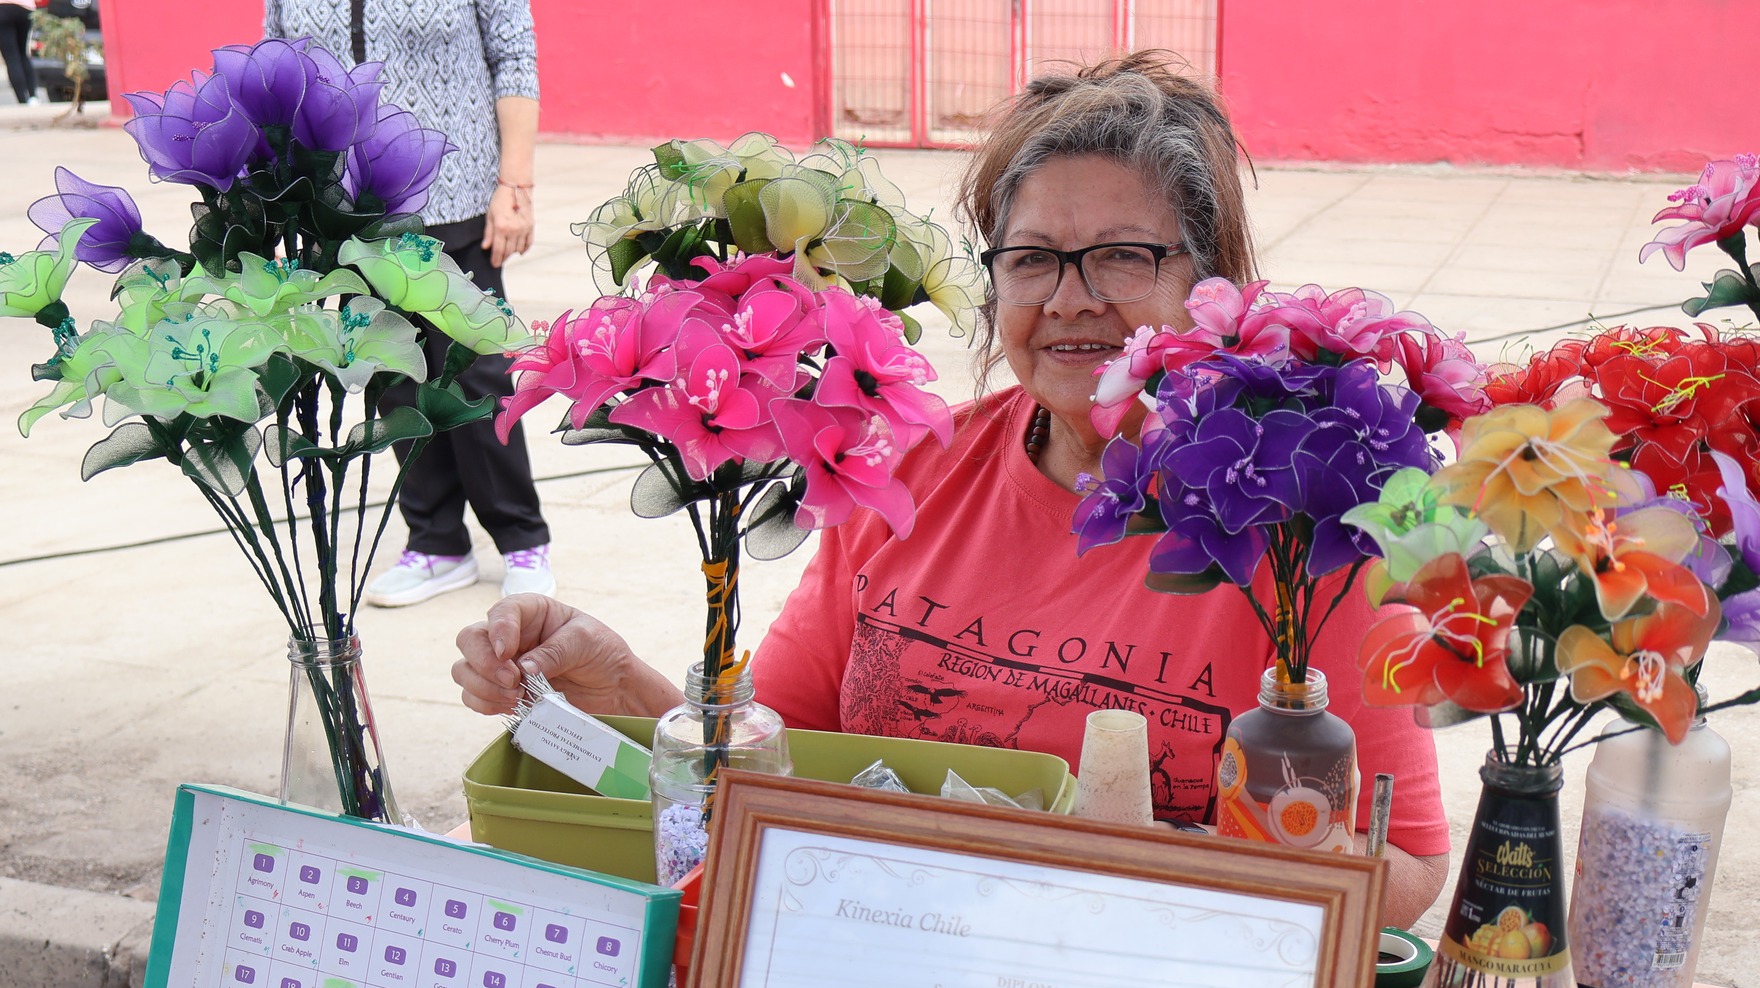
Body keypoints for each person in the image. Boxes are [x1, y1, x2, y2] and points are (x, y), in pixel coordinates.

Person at [453, 54, 1452, 924]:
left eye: (1120, 257)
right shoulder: (912, 467)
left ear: (1210, 282)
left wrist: (1215, 870)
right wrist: (617, 688)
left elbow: (1402, 866)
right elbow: (780, 772)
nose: (1070, 300)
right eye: (1032, 261)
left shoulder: (1302, 532)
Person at [266, 0, 555, 605]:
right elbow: (278, 70)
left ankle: (522, 538)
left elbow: (514, 59)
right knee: (389, 371)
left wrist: (516, 182)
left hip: (452, 190)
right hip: (344, 203)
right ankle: (437, 541)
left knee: (476, 372)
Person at [0, 3, 35, 106]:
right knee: (23, 54)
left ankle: (23, 100)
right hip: (24, 8)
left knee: (11, 58)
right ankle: (33, 97)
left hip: (2, 9)